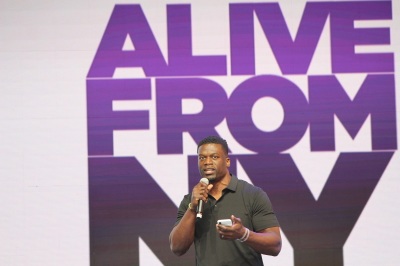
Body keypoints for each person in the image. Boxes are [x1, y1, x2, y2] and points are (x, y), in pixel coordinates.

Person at [169, 136, 281, 265]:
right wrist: (192, 208)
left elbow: (275, 245)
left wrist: (243, 234)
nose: (207, 162)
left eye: (214, 157)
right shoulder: (190, 201)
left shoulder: (252, 194)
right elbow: (177, 248)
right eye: (202, 158)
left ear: (227, 161)